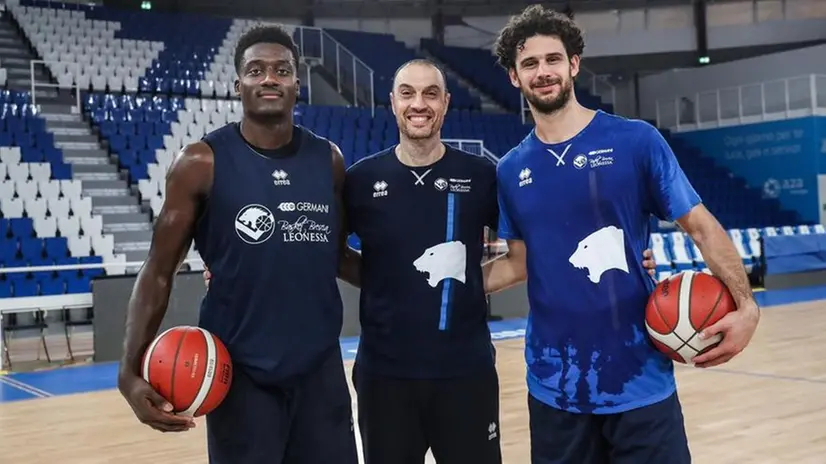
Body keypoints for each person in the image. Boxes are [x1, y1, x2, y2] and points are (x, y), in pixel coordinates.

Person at [203, 57, 660, 463]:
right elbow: (325, 249)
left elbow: (528, 252)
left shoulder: (483, 175)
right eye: (407, 93)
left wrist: (621, 251)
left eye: (429, 94)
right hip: (384, 378)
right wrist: (242, 258)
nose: (418, 104)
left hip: (465, 375)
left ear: (444, 103)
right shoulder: (362, 180)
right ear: (392, 103)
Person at [484, 5, 760, 463]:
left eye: (553, 59)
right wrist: (442, 288)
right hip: (555, 385)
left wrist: (747, 306)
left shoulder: (635, 141)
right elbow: (519, 262)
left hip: (640, 379)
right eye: (529, 63)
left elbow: (701, 226)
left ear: (574, 64)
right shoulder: (512, 169)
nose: (543, 72)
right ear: (514, 77)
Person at [116, 25, 359, 464]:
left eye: (282, 70)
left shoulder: (329, 160)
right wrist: (128, 371)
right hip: (239, 375)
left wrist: (415, 280)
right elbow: (157, 270)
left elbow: (339, 257)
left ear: (296, 85)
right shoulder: (199, 163)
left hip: (320, 374)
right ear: (238, 85)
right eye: (256, 70)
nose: (270, 78)